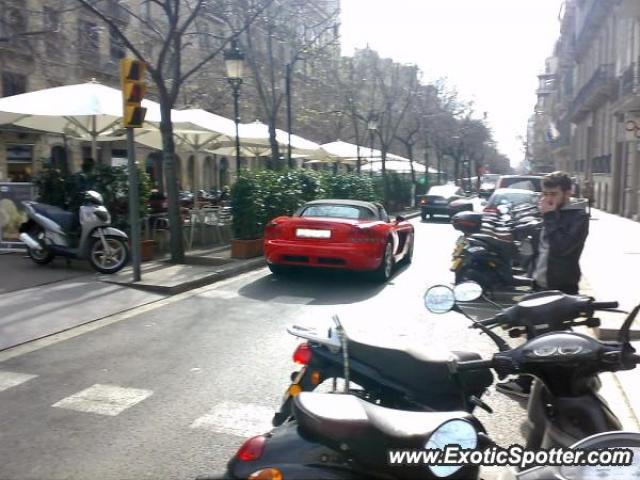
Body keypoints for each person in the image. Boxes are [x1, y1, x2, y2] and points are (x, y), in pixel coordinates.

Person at [497, 171, 590, 399]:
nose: (548, 198)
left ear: (569, 193)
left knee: (550, 339)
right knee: (533, 334)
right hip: (541, 283)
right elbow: (543, 248)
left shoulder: (577, 217)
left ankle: (541, 385)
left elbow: (561, 248)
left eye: (554, 194)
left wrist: (548, 217)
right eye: (545, 193)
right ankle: (532, 383)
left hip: (561, 287)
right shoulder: (552, 212)